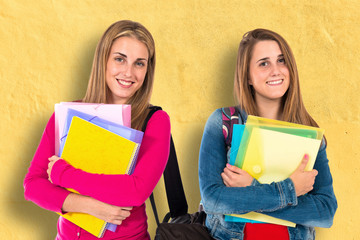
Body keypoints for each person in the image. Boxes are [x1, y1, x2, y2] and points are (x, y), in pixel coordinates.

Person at [24, 20, 171, 239]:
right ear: (103, 60)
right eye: (120, 59)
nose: (128, 72)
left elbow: (135, 191)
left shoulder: (156, 120)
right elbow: (33, 185)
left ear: (148, 69)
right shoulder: (66, 114)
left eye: (139, 63)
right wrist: (88, 206)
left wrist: (63, 174)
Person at [198, 29, 337, 240]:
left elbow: (325, 212)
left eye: (281, 61)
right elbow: (213, 201)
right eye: (264, 63)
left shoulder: (309, 133)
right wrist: (290, 191)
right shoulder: (223, 123)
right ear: (248, 77)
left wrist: (251, 190)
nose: (276, 70)